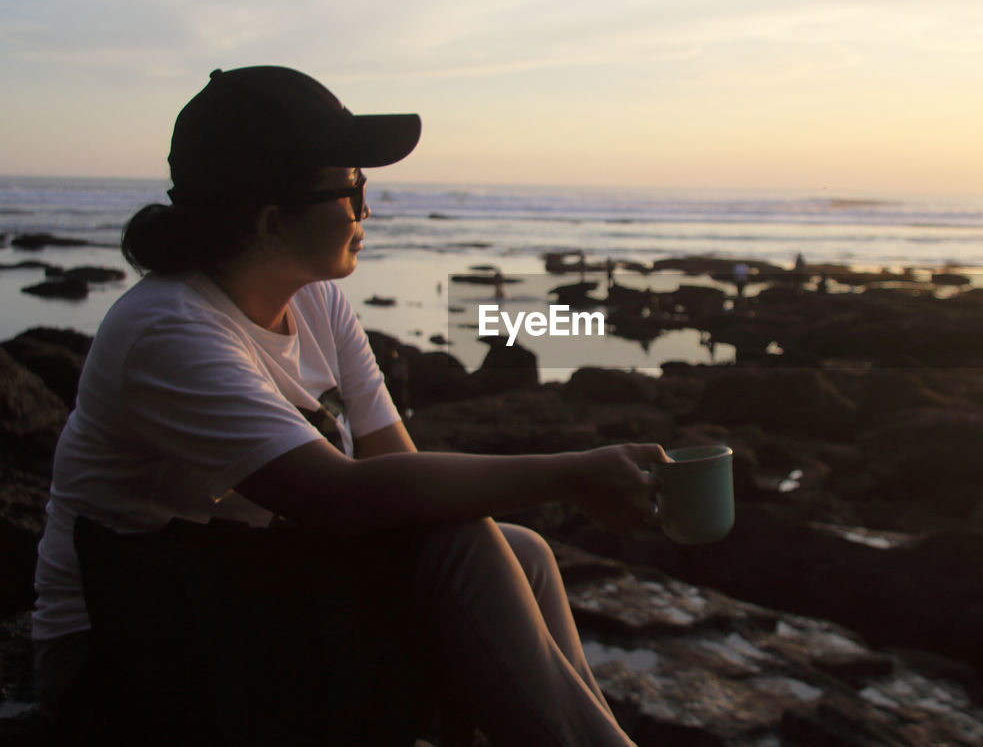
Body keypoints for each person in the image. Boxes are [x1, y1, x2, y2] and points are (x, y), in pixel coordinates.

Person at [31, 66, 661, 746]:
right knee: (461, 547)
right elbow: (339, 497)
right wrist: (572, 472)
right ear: (273, 221)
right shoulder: (169, 330)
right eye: (352, 188)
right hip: (130, 637)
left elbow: (397, 470)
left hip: (243, 590)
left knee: (523, 550)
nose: (367, 209)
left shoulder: (315, 298)